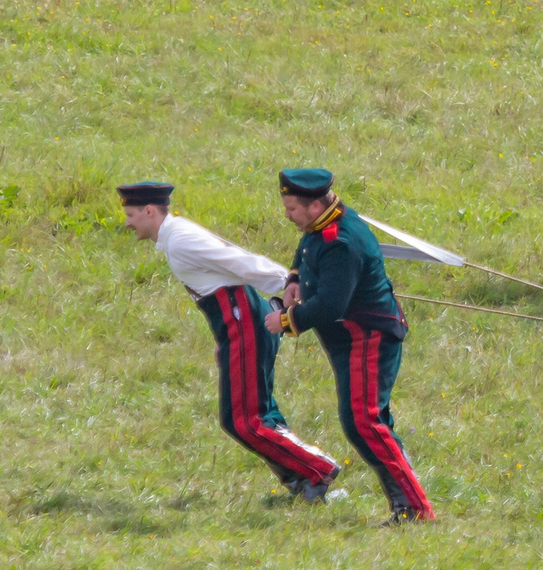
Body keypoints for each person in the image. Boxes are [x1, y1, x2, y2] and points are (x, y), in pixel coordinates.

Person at [117, 182, 342, 502]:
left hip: (244, 327)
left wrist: (294, 284)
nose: (127, 223)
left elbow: (240, 262)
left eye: (131, 215)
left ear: (150, 211)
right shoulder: (176, 236)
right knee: (255, 415)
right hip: (237, 328)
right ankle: (302, 481)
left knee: (245, 421)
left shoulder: (180, 240)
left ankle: (317, 469)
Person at [264, 168, 436, 523]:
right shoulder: (327, 219)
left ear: (314, 206)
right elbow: (308, 244)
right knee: (368, 422)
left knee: (364, 422)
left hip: (366, 338)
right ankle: (409, 500)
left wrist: (285, 321)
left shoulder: (341, 242)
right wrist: (295, 277)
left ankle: (415, 509)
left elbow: (330, 306)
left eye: (292, 209)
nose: (287, 215)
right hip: (352, 337)